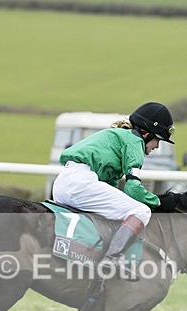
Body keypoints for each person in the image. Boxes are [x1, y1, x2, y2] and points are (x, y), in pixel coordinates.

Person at [52, 102, 177, 280]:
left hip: (63, 183)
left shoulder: (120, 138)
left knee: (121, 212)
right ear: (146, 133)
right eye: (158, 139)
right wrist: (160, 201)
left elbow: (114, 190)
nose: (157, 146)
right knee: (141, 211)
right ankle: (111, 260)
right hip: (80, 183)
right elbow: (133, 189)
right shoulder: (134, 140)